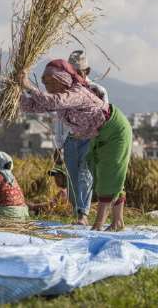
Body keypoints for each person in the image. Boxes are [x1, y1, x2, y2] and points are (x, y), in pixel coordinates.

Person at [20, 59, 132, 231]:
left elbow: (53, 101)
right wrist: (16, 91)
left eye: (51, 82)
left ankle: (98, 224)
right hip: (97, 134)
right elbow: (32, 105)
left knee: (108, 175)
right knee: (100, 173)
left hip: (115, 130)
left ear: (63, 80)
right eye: (45, 83)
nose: (48, 87)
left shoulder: (77, 92)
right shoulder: (62, 99)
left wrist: (28, 86)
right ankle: (118, 222)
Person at [53, 50, 109, 225]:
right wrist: (58, 144)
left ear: (87, 71)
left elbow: (105, 116)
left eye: (78, 72)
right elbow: (59, 120)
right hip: (71, 140)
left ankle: (83, 215)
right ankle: (77, 212)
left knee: (85, 175)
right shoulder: (65, 92)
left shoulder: (98, 91)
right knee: (72, 177)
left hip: (90, 140)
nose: (74, 75)